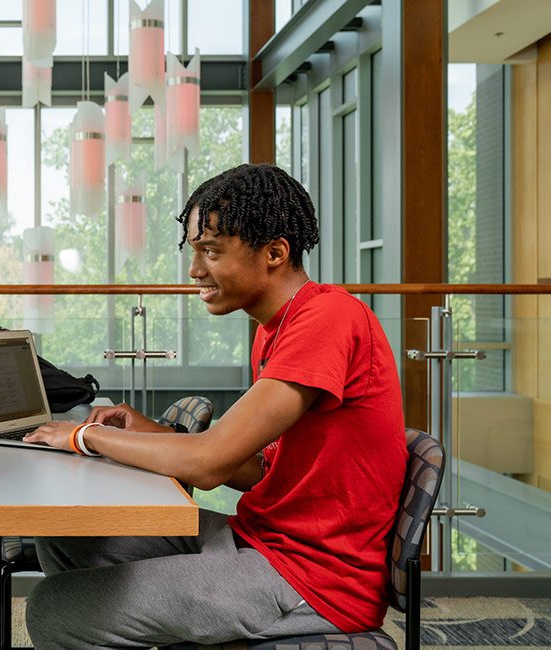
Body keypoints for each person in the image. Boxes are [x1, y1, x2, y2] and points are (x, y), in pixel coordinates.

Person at [23, 164, 408, 649]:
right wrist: (148, 432)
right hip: (262, 540)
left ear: (274, 252)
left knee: (52, 609)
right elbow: (257, 470)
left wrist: (83, 436)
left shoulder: (329, 319)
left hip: (312, 579)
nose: (194, 270)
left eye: (211, 251)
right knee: (70, 535)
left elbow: (207, 466)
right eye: (194, 250)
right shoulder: (274, 330)